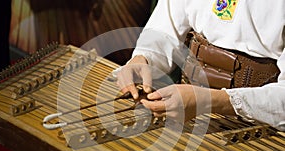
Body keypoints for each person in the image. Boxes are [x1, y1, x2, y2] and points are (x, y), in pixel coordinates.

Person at [115, 0, 285, 131]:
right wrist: (143, 59)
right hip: (189, 116)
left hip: (265, 129)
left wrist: (210, 101)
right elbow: (164, 31)